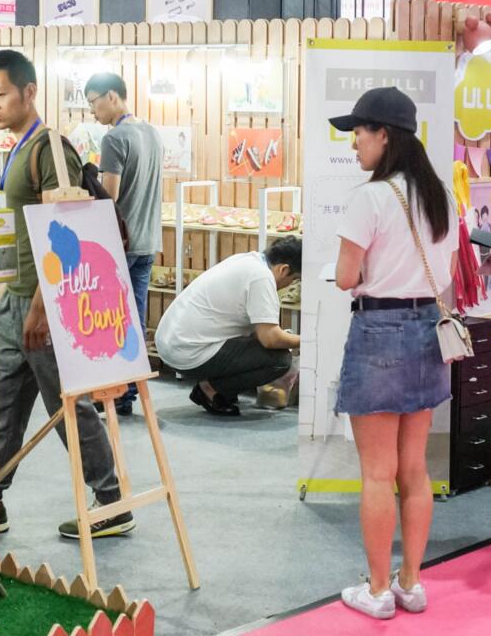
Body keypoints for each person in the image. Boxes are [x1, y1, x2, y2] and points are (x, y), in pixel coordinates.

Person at [0, 50, 130, 540]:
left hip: (44, 307)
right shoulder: (17, 149)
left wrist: (42, 306)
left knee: (69, 408)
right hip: (14, 303)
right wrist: (7, 295)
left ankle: (111, 501)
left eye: (1, 93)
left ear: (29, 92)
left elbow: (66, 233)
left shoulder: (49, 148)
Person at [328, 88, 457, 620]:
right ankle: (411, 582)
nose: (354, 142)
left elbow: (345, 277)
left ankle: (378, 590)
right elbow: (447, 272)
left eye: (360, 132)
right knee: (414, 469)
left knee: (378, 473)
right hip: (428, 329)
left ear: (385, 135)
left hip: (379, 329)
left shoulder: (371, 198)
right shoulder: (440, 195)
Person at [85, 72, 163, 417]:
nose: (92, 111)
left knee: (111, 320)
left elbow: (109, 197)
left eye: (94, 102)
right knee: (135, 319)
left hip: (120, 246)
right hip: (148, 243)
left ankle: (116, 392)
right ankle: (127, 393)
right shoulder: (152, 133)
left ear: (112, 97)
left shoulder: (115, 138)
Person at [155, 237, 301, 416]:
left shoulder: (248, 260)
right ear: (283, 269)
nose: (290, 285)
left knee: (256, 345)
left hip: (171, 342)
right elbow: (270, 338)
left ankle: (220, 387)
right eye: (294, 279)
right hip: (187, 351)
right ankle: (210, 390)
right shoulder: (262, 277)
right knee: (279, 361)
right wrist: (308, 340)